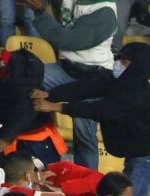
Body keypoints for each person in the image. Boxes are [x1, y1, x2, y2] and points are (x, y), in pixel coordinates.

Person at [32, 42, 150, 196]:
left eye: (125, 63)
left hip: (149, 160)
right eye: (120, 59)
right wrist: (52, 94)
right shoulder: (117, 81)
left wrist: (56, 107)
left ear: (138, 68)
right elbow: (87, 87)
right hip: (136, 155)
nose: (118, 64)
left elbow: (99, 109)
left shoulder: (136, 94)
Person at [24, 0, 114, 170]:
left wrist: (41, 12)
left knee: (84, 137)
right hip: (65, 68)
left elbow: (68, 40)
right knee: (24, 78)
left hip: (93, 77)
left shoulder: (105, 10)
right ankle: (28, 151)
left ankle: (87, 185)